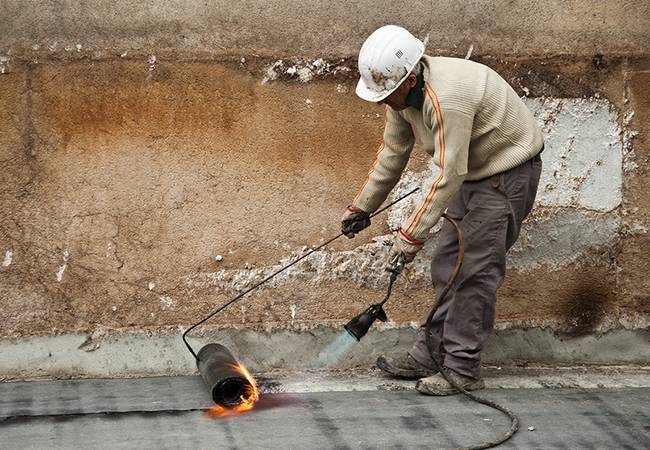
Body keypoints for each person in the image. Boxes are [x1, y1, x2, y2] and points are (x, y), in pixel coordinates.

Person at [341, 25, 543, 395]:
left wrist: (409, 236)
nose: (383, 101)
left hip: (506, 173)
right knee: (447, 264)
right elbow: (392, 153)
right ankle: (429, 356)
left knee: (474, 271)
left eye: (387, 93)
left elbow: (448, 175)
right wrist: (362, 206)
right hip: (473, 172)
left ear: (411, 77)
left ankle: (462, 368)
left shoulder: (444, 99)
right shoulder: (402, 97)